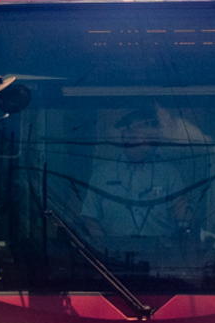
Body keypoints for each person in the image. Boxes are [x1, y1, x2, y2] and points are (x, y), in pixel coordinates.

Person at [80, 107, 194, 251]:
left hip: (160, 258)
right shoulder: (102, 174)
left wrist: (184, 214)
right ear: (126, 135)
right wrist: (105, 247)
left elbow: (183, 215)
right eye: (145, 132)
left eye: (154, 132)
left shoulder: (168, 173)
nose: (152, 139)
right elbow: (90, 217)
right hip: (111, 261)